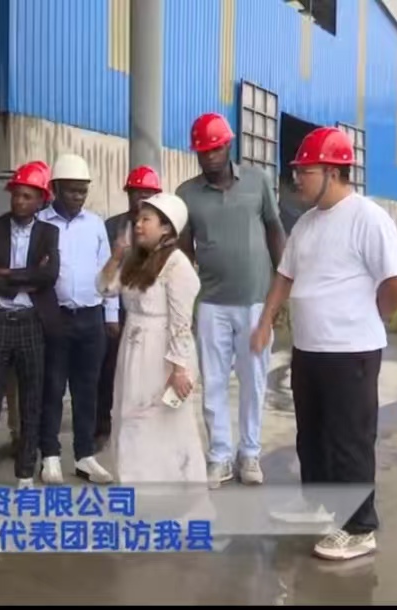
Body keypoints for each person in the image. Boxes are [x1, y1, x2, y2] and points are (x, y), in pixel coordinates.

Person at [251, 126, 397, 562]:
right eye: (297, 171)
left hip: (351, 351)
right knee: (313, 436)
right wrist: (265, 322)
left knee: (348, 438)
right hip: (309, 350)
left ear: (334, 172)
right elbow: (284, 276)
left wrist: (372, 316)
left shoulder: (368, 218)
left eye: (305, 171)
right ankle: (319, 505)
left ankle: (358, 528)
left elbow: (396, 284)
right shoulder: (305, 224)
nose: (297, 179)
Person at [177, 112, 286, 489]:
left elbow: (275, 231)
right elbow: (183, 250)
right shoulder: (186, 195)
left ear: (228, 146)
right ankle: (220, 456)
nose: (209, 157)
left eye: (215, 149)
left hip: (255, 300)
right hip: (211, 304)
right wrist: (187, 297)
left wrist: (281, 290)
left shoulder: (258, 181)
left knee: (254, 381)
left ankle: (249, 453)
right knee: (214, 382)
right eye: (202, 151)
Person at [96, 192, 202, 484]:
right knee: (129, 416)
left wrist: (179, 369)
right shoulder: (137, 260)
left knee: (159, 422)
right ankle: (133, 484)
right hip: (132, 347)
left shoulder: (177, 265)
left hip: (160, 353)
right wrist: (117, 256)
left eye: (146, 220)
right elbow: (104, 288)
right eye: (138, 219)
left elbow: (181, 321)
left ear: (166, 227)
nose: (138, 225)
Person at [0, 161, 60, 487]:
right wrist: (21, 282)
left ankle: (25, 474)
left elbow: (49, 275)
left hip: (31, 323)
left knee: (31, 401)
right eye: (16, 195)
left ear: (41, 200)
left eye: (26, 196)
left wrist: (7, 273)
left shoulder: (48, 233)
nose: (19, 201)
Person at [36, 153, 116, 485]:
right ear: (55, 188)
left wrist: (110, 314)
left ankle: (85, 456)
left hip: (90, 318)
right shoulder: (41, 223)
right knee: (52, 388)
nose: (78, 197)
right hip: (54, 318)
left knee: (87, 391)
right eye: (71, 190)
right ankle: (50, 456)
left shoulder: (95, 224)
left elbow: (108, 271)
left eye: (83, 191)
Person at [97, 165, 163, 449]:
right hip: (117, 307)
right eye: (137, 192)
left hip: (150, 311)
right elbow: (103, 269)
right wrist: (110, 313)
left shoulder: (163, 230)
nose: (141, 198)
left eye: (148, 194)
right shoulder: (112, 226)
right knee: (110, 369)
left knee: (147, 371)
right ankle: (103, 426)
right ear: (128, 194)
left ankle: (144, 426)